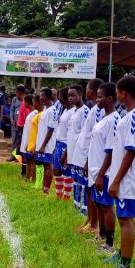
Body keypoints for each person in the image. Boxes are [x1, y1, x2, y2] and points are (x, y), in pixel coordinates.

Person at [106, 77, 135, 268]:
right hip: (125, 178)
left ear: (123, 93)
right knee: (123, 218)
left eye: (117, 92)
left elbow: (130, 152)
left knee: (126, 220)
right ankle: (122, 257)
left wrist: (116, 180)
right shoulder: (132, 115)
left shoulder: (134, 117)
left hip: (129, 180)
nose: (116, 95)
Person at [88, 82, 120, 258]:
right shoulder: (103, 118)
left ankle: (110, 243)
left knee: (107, 206)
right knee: (99, 204)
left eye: (100, 97)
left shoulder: (114, 120)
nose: (97, 99)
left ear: (110, 99)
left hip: (104, 172)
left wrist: (101, 174)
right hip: (95, 169)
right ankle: (100, 234)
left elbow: (111, 149)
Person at [74, 78, 104, 235]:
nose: (86, 91)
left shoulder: (99, 110)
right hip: (86, 156)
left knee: (92, 191)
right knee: (88, 189)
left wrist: (87, 159)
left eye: (87, 88)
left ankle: (94, 224)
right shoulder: (94, 109)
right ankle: (89, 221)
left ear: (91, 90)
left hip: (92, 158)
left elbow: (95, 137)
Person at [65, 85, 90, 214]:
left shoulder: (85, 111)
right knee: (75, 180)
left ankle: (84, 209)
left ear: (80, 94)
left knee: (82, 181)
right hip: (73, 154)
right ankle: (76, 205)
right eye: (69, 95)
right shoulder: (74, 111)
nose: (70, 98)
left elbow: (86, 135)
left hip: (81, 154)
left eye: (73, 95)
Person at [36, 88, 59, 194]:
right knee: (45, 165)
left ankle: (47, 189)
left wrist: (43, 145)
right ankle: (44, 187)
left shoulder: (53, 110)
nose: (40, 98)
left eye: (41, 96)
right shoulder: (45, 109)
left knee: (48, 165)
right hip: (42, 142)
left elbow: (51, 129)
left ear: (45, 97)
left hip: (48, 144)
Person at [52, 88, 71, 200]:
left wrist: (68, 150)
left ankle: (66, 197)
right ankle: (59, 196)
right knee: (57, 170)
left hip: (65, 144)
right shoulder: (64, 111)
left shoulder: (72, 112)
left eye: (60, 97)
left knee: (65, 172)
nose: (59, 99)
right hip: (59, 143)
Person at [19, 95, 38, 182]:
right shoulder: (31, 113)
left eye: (24, 102)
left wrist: (31, 143)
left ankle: (33, 179)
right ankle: (27, 178)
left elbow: (33, 130)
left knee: (32, 161)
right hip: (26, 140)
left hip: (30, 141)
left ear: (27, 102)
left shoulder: (34, 114)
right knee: (28, 161)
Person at [8, 86, 27, 162]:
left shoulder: (26, 100)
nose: (16, 95)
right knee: (14, 141)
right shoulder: (14, 99)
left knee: (21, 141)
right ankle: (13, 156)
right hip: (14, 124)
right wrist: (12, 119)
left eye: (16, 93)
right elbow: (11, 110)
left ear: (20, 93)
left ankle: (20, 157)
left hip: (22, 125)